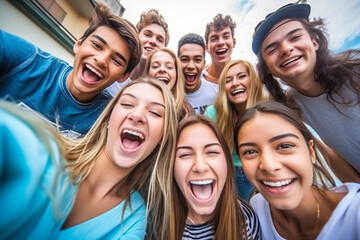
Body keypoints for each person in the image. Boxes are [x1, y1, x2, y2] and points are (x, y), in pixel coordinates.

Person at [0, 78, 178, 239]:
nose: (137, 115)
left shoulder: (135, 217)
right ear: (109, 119)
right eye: (127, 104)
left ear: (162, 137)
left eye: (155, 113)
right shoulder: (43, 151)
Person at [251, 3, 360, 181]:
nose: (286, 49)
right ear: (267, 68)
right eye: (272, 49)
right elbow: (329, 153)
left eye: (294, 37)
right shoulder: (292, 106)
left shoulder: (356, 67)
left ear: (314, 41)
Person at [0, 3, 141, 137]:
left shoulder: (110, 118)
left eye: (116, 60)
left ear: (124, 75)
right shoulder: (26, 60)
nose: (102, 60)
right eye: (97, 45)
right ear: (78, 44)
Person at [234, 101, 360, 240]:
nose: (269, 166)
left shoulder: (355, 213)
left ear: (311, 151)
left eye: (285, 146)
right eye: (250, 151)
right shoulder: (256, 210)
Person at [161, 115, 261, 239]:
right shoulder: (155, 224)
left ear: (227, 163)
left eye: (212, 152)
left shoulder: (245, 218)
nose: (200, 167)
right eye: (185, 154)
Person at [204, 59, 266, 201]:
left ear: (253, 80)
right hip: (229, 176)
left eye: (241, 76)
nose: (235, 83)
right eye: (228, 80)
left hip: (262, 172)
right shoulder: (212, 114)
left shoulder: (269, 111)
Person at [106, 9, 169, 96]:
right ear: (136, 36)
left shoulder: (157, 92)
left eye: (160, 39)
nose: (153, 41)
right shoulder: (111, 70)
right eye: (147, 34)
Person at [145, 47, 194, 121]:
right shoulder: (137, 105)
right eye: (155, 66)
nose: (162, 69)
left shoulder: (186, 112)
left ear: (177, 75)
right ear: (148, 73)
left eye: (169, 67)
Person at [177, 33, 218, 114]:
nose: (191, 66)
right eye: (185, 59)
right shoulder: (169, 95)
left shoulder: (217, 94)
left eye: (197, 60)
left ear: (204, 64)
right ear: (177, 62)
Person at [202, 13, 236, 84]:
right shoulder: (198, 80)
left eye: (226, 36)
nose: (221, 42)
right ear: (207, 47)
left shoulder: (247, 76)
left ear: (234, 42)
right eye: (214, 39)